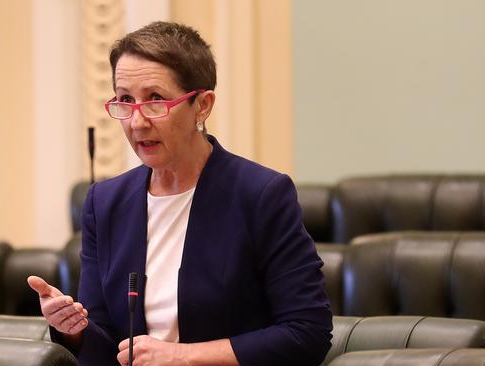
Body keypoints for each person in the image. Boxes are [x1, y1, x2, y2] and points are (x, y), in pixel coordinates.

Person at [29, 21, 332, 365]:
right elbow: (107, 347)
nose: (137, 121)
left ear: (202, 105)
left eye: (156, 99)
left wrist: (184, 356)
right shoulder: (105, 202)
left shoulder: (261, 195)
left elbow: (308, 331)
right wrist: (73, 329)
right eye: (125, 100)